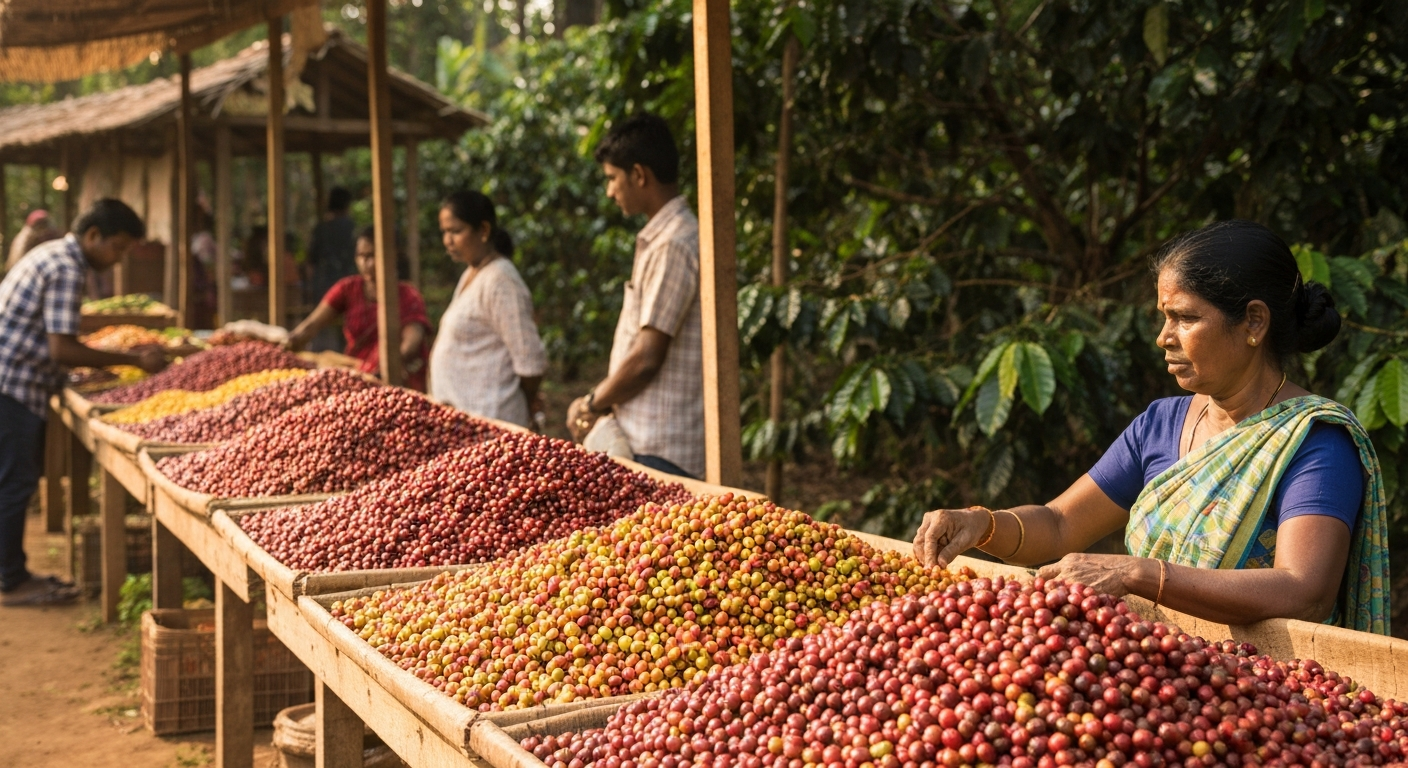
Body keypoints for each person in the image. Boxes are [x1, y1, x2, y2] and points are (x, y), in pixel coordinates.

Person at [912, 220, 1388, 634]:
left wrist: (1139, 575)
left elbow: (1303, 590)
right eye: (1165, 318)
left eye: (1185, 318)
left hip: (1261, 696)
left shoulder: (1315, 442)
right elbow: (1059, 525)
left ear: (1254, 322)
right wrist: (980, 524)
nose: (1164, 338)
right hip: (1153, 677)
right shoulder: (1160, 424)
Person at [0, 199, 167, 606]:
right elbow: (61, 349)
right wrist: (133, 361)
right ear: (93, 236)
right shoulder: (67, 267)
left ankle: (12, 572)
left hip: (16, 378)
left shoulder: (53, 254)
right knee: (16, 482)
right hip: (12, 384)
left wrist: (97, 366)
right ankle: (12, 579)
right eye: (119, 247)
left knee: (12, 479)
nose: (120, 258)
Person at [566, 113, 704, 479]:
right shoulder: (664, 239)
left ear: (639, 175)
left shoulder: (673, 245)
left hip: (660, 447)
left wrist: (592, 403)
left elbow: (646, 357)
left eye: (613, 178)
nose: (610, 191)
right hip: (649, 439)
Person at [428, 190, 547, 427]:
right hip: (463, 420)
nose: (447, 241)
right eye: (444, 232)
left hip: (490, 421)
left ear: (483, 230)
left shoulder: (501, 281)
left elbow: (529, 361)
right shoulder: (472, 274)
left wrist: (527, 399)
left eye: (456, 231)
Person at [286, 226, 431, 391]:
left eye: (372, 256)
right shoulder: (348, 289)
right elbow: (312, 325)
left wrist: (385, 369)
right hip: (358, 378)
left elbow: (411, 342)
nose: (366, 263)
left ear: (392, 256)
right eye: (361, 256)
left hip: (397, 383)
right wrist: (287, 344)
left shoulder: (408, 295)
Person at [306, 187, 358, 351]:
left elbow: (311, 262)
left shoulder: (321, 229)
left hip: (323, 286)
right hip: (348, 285)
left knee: (322, 329)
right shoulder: (352, 228)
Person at [5, 209, 62, 274]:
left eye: (44, 224)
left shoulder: (52, 235)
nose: (42, 229)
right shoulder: (23, 240)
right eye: (40, 224)